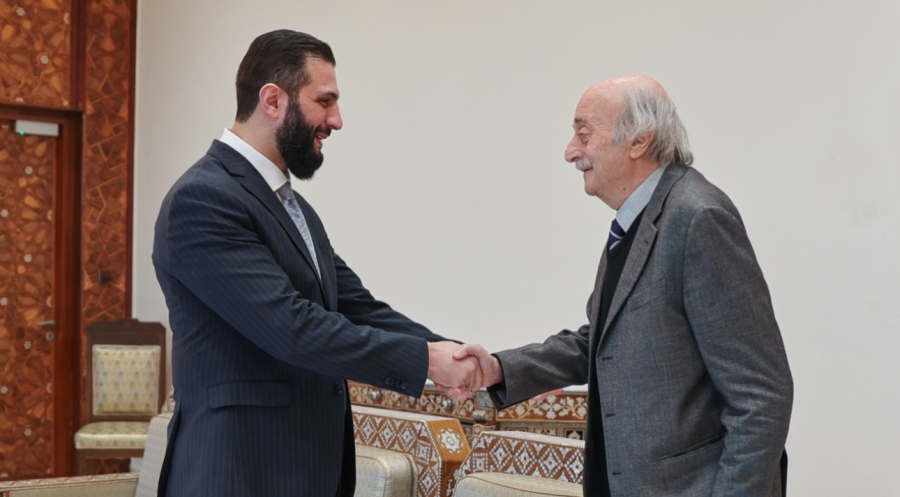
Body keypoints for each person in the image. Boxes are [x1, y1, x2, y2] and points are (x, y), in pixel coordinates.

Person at [152, 30, 481, 497]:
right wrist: (428, 361)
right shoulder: (203, 198)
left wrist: (464, 357)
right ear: (272, 100)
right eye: (324, 101)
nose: (336, 121)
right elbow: (290, 326)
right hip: (237, 472)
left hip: (302, 472)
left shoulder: (293, 207)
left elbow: (356, 307)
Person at [455, 75, 793, 496]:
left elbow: (761, 397)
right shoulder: (636, 220)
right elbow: (599, 342)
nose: (570, 151)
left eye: (584, 134)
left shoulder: (698, 217)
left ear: (638, 141)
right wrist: (500, 368)